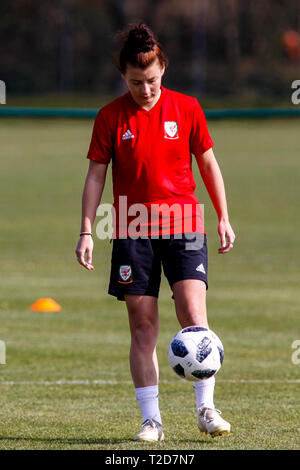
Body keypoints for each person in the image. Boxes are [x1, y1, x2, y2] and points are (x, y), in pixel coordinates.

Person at [75, 23, 235, 442]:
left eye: (151, 81)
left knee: (194, 316)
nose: (145, 90)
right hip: (130, 226)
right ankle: (152, 421)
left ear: (163, 68)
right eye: (135, 82)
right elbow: (95, 176)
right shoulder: (110, 116)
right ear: (122, 77)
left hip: (183, 223)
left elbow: (208, 164)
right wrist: (87, 231)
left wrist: (222, 215)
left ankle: (206, 409)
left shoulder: (188, 109)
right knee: (142, 326)